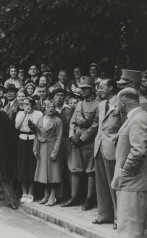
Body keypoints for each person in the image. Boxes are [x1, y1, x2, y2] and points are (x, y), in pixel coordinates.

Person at [111, 88, 147, 238]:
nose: (116, 107)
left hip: (133, 184)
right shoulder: (141, 116)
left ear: (123, 102)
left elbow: (139, 151)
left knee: (129, 232)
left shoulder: (138, 119)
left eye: (117, 104)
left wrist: (125, 173)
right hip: (138, 183)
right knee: (142, 231)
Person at [62, 76, 99, 210]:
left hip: (88, 142)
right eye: (82, 89)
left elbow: (95, 125)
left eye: (86, 89)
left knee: (90, 171)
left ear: (92, 89)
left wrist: (82, 138)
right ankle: (75, 197)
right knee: (75, 170)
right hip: (75, 141)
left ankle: (89, 199)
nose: (83, 91)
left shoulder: (98, 104)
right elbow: (72, 121)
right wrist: (72, 135)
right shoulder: (79, 104)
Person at [92, 79, 122, 229]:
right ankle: (104, 214)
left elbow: (124, 127)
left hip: (113, 148)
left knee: (114, 184)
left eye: (102, 87)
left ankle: (118, 217)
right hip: (99, 146)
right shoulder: (101, 104)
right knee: (102, 183)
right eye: (98, 87)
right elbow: (98, 125)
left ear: (111, 87)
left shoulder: (121, 103)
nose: (99, 90)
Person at [34, 100, 63, 206]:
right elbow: (36, 135)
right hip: (42, 149)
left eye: (52, 107)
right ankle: (46, 196)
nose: (50, 108)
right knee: (44, 174)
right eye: (48, 106)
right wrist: (35, 149)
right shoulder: (40, 119)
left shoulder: (57, 121)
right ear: (44, 108)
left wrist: (55, 152)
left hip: (51, 148)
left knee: (53, 174)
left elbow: (59, 138)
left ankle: (52, 196)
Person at [15, 97, 43, 203]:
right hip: (22, 140)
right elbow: (17, 126)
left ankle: (31, 192)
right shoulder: (20, 113)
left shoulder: (38, 114)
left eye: (28, 104)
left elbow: (40, 128)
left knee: (32, 166)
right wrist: (25, 114)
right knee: (22, 166)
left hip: (33, 140)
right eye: (24, 104)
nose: (26, 106)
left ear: (32, 104)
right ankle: (24, 192)